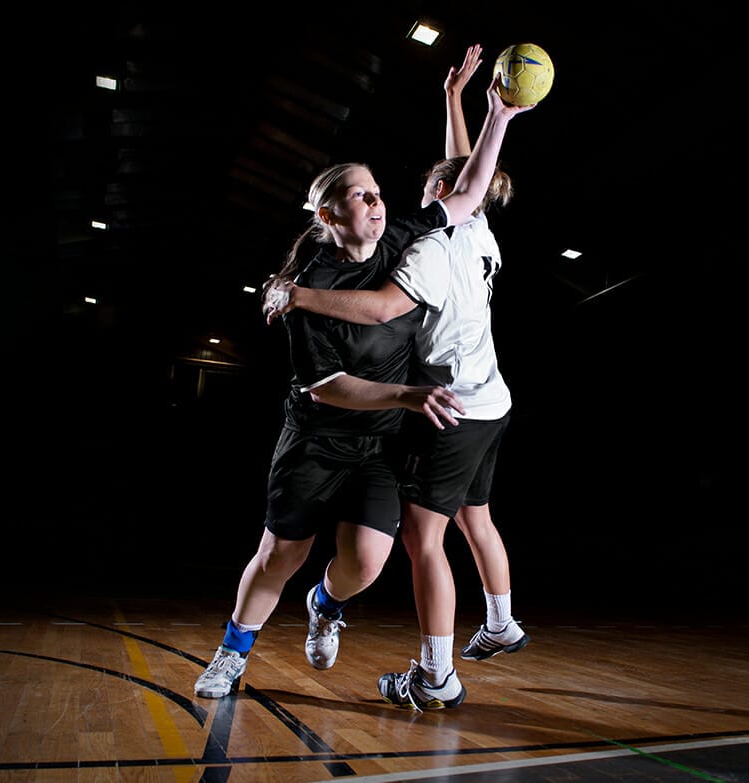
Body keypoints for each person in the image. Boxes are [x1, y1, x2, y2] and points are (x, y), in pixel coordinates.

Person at [193, 44, 532, 700]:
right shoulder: (312, 287)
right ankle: (232, 652)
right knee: (281, 554)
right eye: (361, 197)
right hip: (318, 438)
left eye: (379, 194)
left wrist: (496, 114)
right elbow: (329, 387)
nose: (378, 205)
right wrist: (403, 391)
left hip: (379, 443)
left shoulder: (403, 238)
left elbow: (466, 187)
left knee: (368, 561)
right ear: (328, 215)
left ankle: (326, 605)